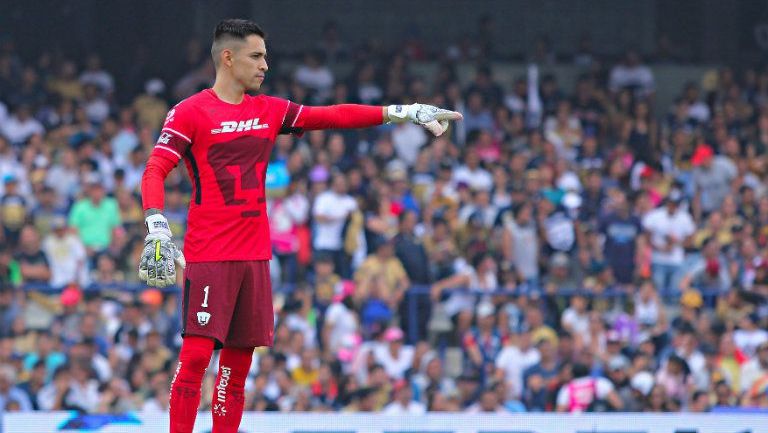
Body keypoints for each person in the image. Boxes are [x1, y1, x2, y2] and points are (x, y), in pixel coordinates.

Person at [138, 19, 461, 433]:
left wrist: (403, 112)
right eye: (256, 56)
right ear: (228, 57)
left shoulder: (269, 109)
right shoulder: (189, 112)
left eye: (266, 57)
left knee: (237, 369)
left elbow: (332, 116)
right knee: (197, 359)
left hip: (255, 256)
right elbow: (155, 168)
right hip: (209, 253)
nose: (265, 66)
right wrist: (157, 223)